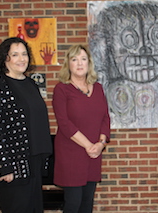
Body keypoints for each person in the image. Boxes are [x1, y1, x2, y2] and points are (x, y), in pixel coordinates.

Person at [0, 37, 53, 213]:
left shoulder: (31, 84)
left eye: (24, 54)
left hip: (34, 160)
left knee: (35, 209)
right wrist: (4, 166)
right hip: (13, 163)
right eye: (15, 54)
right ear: (5, 59)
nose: (21, 59)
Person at [52, 44, 110, 213]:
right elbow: (64, 123)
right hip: (71, 153)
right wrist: (88, 145)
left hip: (94, 153)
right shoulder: (61, 89)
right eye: (74, 59)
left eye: (83, 59)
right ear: (68, 64)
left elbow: (105, 118)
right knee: (73, 203)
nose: (79, 63)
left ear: (89, 63)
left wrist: (100, 143)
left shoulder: (98, 88)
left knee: (87, 202)